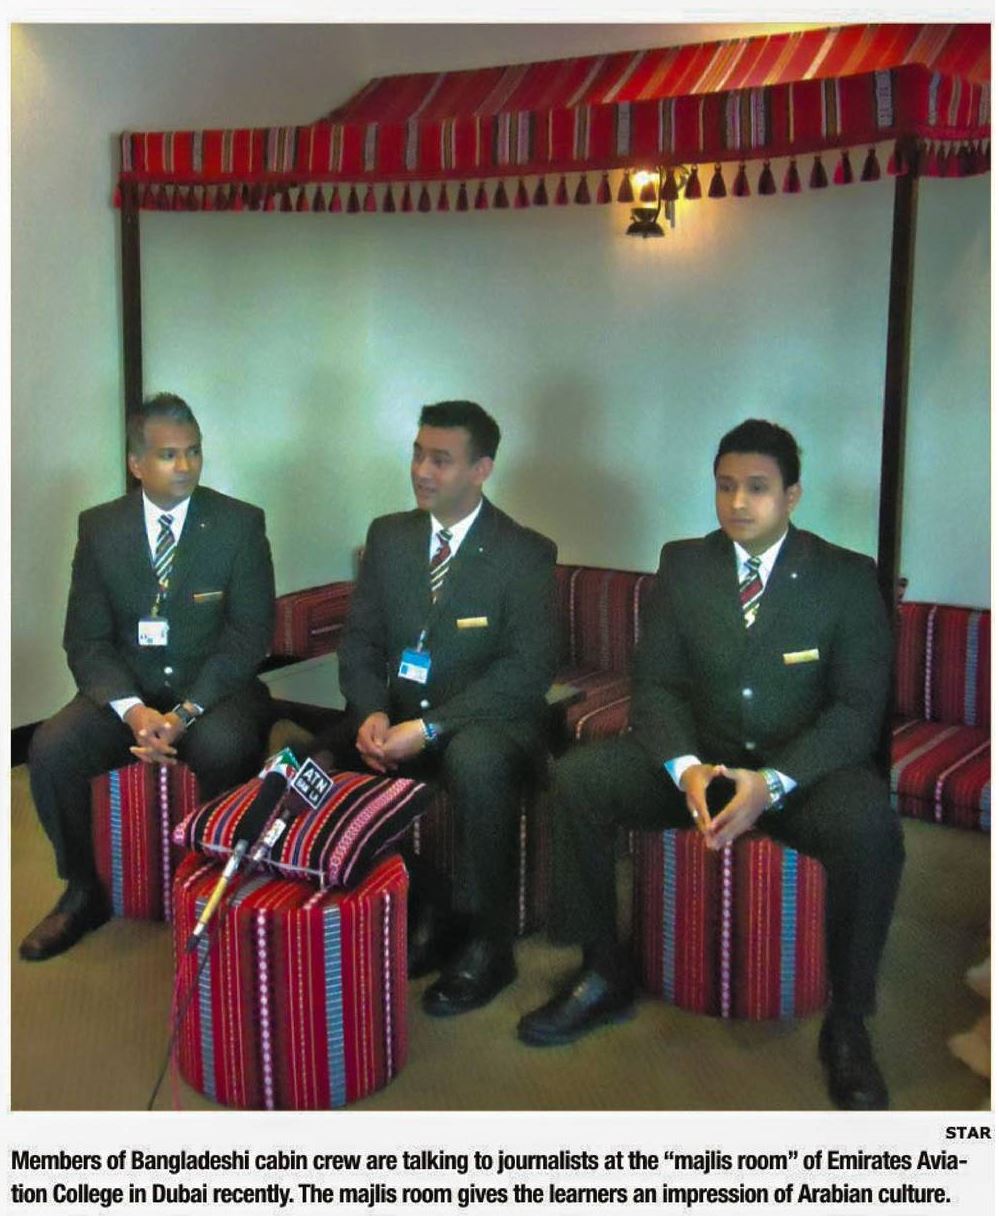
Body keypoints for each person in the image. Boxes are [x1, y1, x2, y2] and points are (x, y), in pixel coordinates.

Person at [518, 419, 904, 1112]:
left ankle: (848, 1021)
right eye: (725, 486)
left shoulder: (846, 578)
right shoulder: (685, 565)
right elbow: (657, 684)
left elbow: (857, 710)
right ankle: (602, 970)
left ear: (791, 496)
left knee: (872, 827)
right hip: (704, 763)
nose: (737, 503)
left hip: (799, 775)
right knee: (579, 779)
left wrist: (773, 783)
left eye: (757, 488)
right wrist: (686, 768)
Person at [319, 399, 557, 1017]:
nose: (422, 471)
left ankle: (489, 942)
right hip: (397, 716)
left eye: (441, 460)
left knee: (475, 762)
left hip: (485, 723)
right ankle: (428, 902)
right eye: (418, 455)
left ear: (481, 469)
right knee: (310, 760)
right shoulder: (389, 537)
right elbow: (361, 641)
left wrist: (428, 728)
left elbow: (526, 673)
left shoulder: (524, 552)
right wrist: (368, 711)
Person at [20, 393, 276, 962]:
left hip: (215, 693)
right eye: (167, 455)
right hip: (130, 694)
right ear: (136, 463)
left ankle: (211, 888)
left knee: (224, 745)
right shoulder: (101, 528)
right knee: (53, 748)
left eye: (194, 451)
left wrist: (186, 712)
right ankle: (83, 891)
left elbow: (249, 637)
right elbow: (86, 640)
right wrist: (133, 711)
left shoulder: (239, 524)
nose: (185, 466)